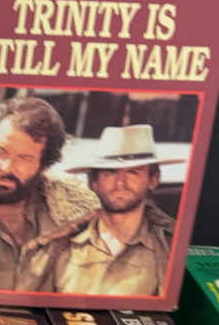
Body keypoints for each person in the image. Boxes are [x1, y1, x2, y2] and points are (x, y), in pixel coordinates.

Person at [0, 96, 98, 292]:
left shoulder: (75, 213)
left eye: (24, 158)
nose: (6, 167)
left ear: (43, 166)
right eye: (0, 152)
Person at [49, 124, 182, 297]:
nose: (120, 183)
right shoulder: (59, 247)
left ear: (153, 180)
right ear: (93, 182)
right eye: (110, 172)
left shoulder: (171, 249)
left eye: (133, 172)